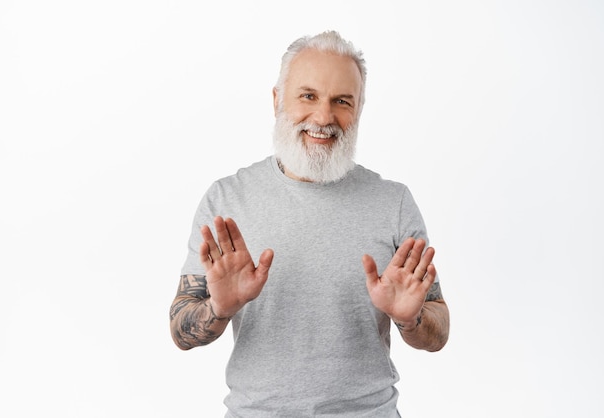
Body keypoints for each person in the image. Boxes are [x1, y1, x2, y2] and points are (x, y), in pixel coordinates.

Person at [169, 30, 450, 417]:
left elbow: (439, 329)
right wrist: (218, 307)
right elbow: (181, 330)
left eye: (342, 101)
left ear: (359, 110)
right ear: (276, 100)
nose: (323, 117)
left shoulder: (393, 202)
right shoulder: (228, 199)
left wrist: (410, 318)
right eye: (308, 96)